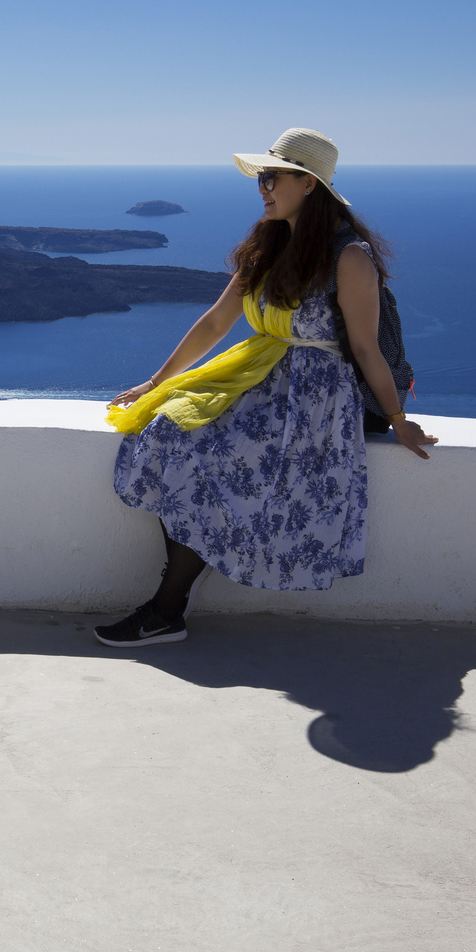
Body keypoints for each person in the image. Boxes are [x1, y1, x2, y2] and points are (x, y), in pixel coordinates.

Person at [96, 128, 438, 647]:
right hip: (261, 378)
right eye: (262, 176)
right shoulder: (268, 245)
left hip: (315, 399)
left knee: (203, 460)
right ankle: (182, 580)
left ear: (309, 184)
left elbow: (366, 349)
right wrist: (156, 381)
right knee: (169, 431)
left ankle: (167, 608)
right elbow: (214, 324)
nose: (263, 187)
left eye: (273, 176)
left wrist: (397, 420)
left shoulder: (349, 257)